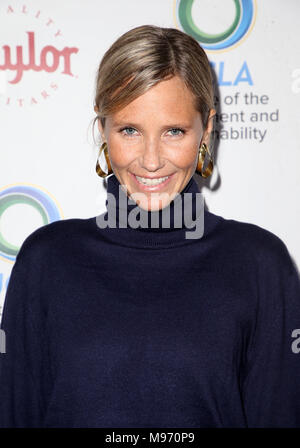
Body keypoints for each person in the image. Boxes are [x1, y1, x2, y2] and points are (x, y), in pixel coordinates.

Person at [0, 24, 300, 428]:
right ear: (103, 128)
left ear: (206, 130)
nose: (152, 160)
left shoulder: (260, 265)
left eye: (174, 131)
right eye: (130, 130)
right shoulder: (46, 260)